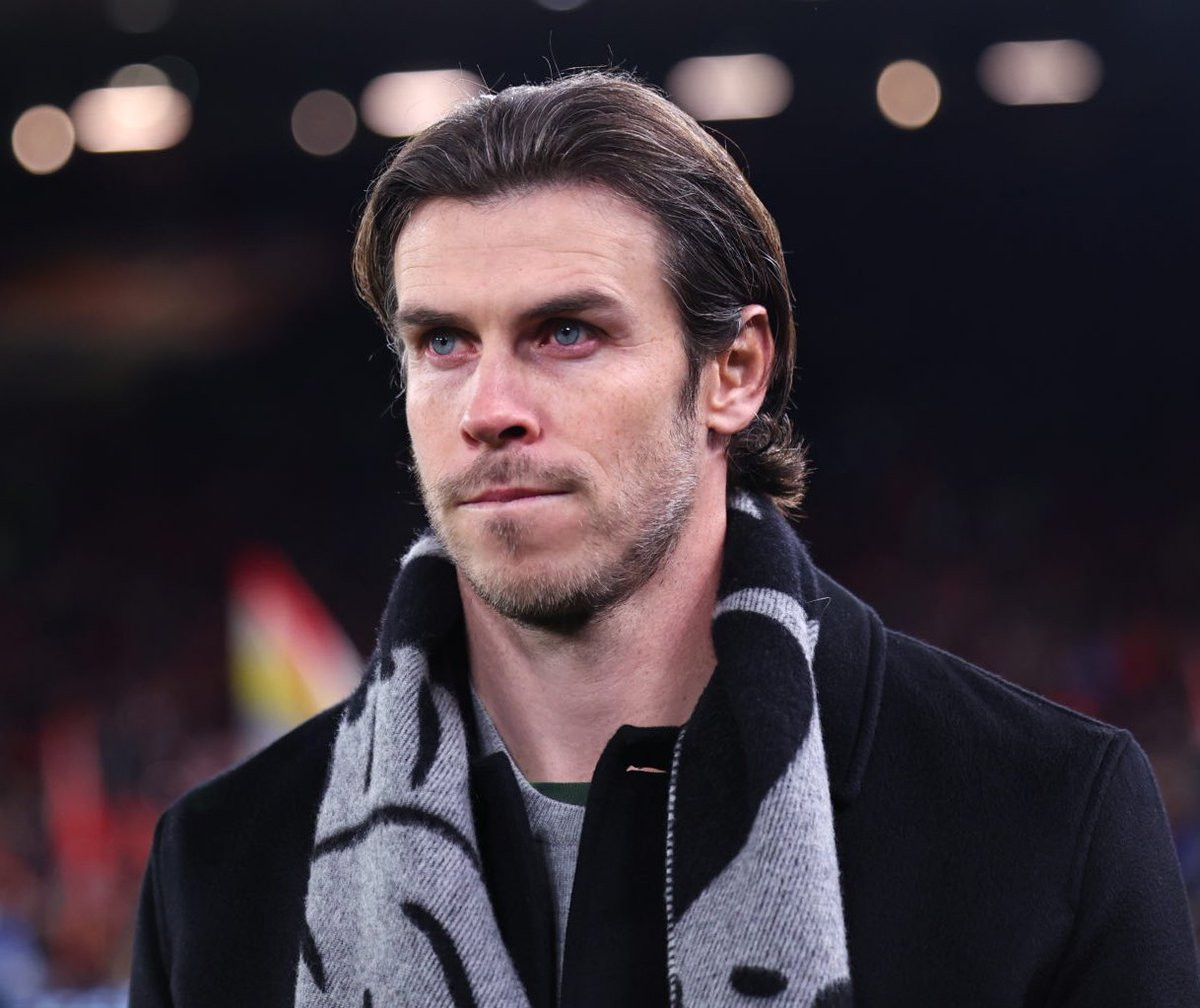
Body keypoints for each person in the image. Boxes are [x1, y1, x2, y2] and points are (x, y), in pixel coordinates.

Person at [130, 71, 1199, 1007]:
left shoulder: (1045, 822)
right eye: (444, 342)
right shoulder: (219, 871)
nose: (488, 409)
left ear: (733, 372)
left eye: (566, 333)